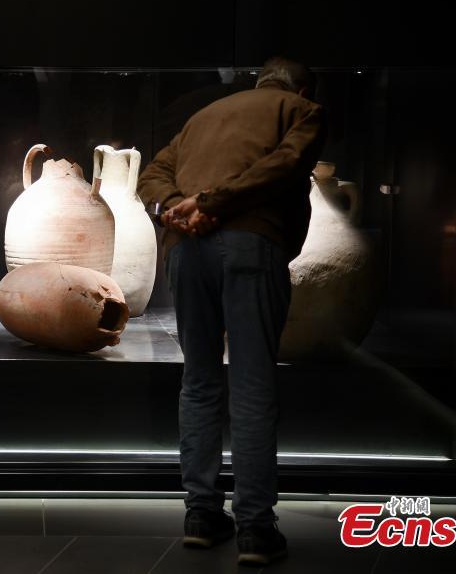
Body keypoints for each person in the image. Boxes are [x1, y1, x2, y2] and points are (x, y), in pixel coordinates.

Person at [137, 56, 326, 566]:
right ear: (302, 89)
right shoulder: (304, 111)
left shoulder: (205, 115)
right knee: (252, 385)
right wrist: (210, 202)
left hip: (185, 251)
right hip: (251, 245)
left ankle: (201, 515)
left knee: (199, 382)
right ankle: (256, 529)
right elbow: (283, 165)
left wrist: (177, 206)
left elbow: (152, 175)